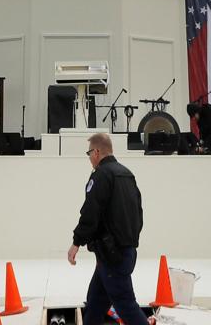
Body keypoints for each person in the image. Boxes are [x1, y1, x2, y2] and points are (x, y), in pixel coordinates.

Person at [69, 133, 154, 325]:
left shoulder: (101, 175)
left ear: (97, 152)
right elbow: (138, 213)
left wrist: (76, 242)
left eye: (89, 153)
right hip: (122, 252)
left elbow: (91, 212)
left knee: (126, 306)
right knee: (95, 303)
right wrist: (130, 241)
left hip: (112, 256)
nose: (89, 158)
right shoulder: (127, 174)